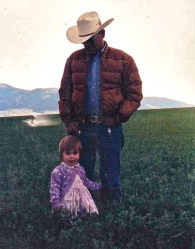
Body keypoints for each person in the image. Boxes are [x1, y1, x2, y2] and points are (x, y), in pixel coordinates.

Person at [58, 11, 143, 203]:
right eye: (83, 41)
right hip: (82, 128)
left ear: (102, 34)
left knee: (111, 177)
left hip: (110, 128)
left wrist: (117, 117)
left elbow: (135, 94)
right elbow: (64, 93)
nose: (86, 44)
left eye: (90, 39)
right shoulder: (73, 60)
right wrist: (69, 122)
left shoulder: (123, 60)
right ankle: (82, 215)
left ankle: (113, 222)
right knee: (80, 175)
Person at [50, 135, 102, 219]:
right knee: (68, 216)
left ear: (79, 154)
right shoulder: (58, 171)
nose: (72, 156)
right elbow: (55, 188)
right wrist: (55, 202)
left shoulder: (80, 169)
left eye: (75, 153)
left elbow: (86, 182)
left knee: (88, 214)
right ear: (61, 155)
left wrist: (97, 186)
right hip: (68, 199)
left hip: (82, 197)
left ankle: (87, 219)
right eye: (68, 153)